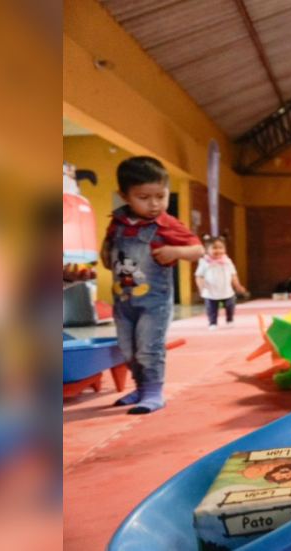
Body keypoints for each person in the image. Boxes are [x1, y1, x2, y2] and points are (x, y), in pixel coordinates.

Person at [100, 157, 204, 414]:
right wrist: (105, 252)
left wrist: (174, 251)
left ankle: (154, 392)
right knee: (128, 350)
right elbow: (108, 252)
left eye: (160, 195)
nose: (154, 204)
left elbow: (198, 250)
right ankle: (141, 388)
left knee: (149, 347)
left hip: (153, 302)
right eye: (144, 197)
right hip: (123, 302)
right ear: (124, 195)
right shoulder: (118, 222)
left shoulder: (166, 223)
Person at [195, 236, 247, 331]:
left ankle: (230, 319)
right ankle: (212, 322)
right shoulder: (204, 262)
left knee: (230, 306)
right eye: (214, 248)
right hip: (210, 291)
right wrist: (201, 287)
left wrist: (237, 285)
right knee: (211, 309)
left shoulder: (227, 261)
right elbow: (199, 276)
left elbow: (233, 274)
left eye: (221, 248)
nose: (218, 250)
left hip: (226, 290)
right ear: (207, 249)